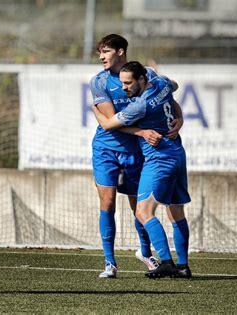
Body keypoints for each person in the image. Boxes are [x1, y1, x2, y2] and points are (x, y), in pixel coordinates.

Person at [89, 34, 184, 278]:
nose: (101, 57)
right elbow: (111, 123)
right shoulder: (99, 81)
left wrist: (180, 119)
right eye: (100, 52)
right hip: (107, 148)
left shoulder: (147, 74)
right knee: (107, 203)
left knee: (139, 207)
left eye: (105, 51)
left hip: (136, 150)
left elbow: (171, 95)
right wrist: (141, 131)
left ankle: (146, 253)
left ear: (121, 52)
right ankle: (110, 263)